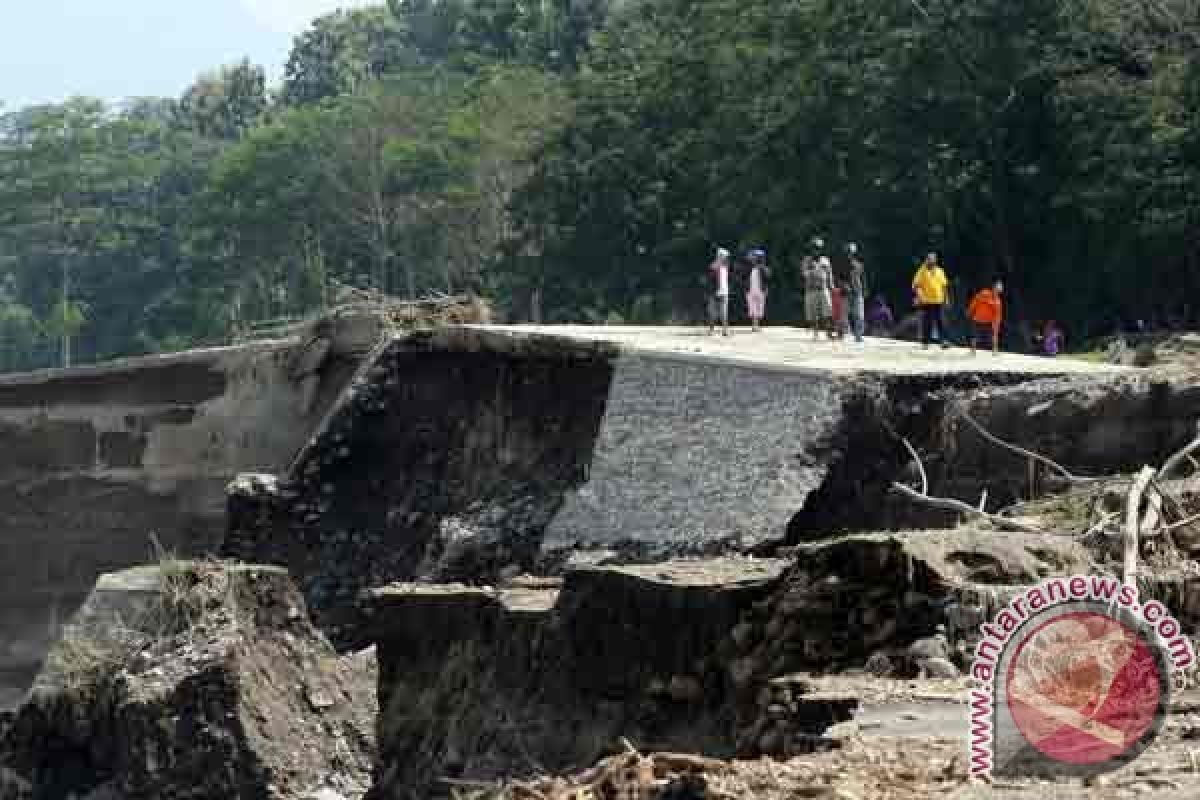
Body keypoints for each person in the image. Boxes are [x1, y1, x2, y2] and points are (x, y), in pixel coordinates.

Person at [911, 252, 950, 349]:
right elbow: (915, 285)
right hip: (926, 301)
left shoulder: (940, 271)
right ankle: (925, 343)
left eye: (933, 259)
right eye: (929, 259)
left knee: (941, 321)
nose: (931, 261)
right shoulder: (921, 271)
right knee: (927, 322)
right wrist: (918, 296)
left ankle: (944, 341)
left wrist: (946, 298)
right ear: (927, 259)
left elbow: (944, 286)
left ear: (936, 260)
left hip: (939, 300)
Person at [802, 238, 834, 340]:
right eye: (815, 248)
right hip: (811, 289)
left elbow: (829, 273)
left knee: (827, 312)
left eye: (818, 248)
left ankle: (828, 333)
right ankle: (816, 334)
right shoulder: (807, 260)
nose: (817, 250)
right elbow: (805, 274)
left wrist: (831, 285)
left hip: (823, 288)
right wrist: (815, 270)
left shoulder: (825, 259)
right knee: (814, 314)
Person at [967, 280, 1004, 355]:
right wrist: (970, 311)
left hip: (988, 321)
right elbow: (975, 301)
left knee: (994, 335)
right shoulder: (984, 293)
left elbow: (998, 314)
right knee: (974, 335)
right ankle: (973, 350)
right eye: (997, 288)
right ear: (993, 288)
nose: (998, 291)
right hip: (977, 319)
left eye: (1000, 290)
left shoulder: (998, 301)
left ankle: (995, 351)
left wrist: (997, 324)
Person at [845, 243, 867, 342]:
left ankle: (858, 335)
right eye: (849, 252)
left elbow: (863, 278)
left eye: (851, 252)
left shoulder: (859, 264)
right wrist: (844, 286)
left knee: (859, 315)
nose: (850, 254)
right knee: (845, 314)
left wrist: (865, 289)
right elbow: (839, 277)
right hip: (846, 293)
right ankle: (845, 333)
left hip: (858, 292)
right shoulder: (842, 264)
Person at [707, 247, 731, 336]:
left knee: (724, 313)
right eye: (725, 256)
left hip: (724, 292)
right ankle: (711, 330)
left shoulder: (725, 266)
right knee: (713, 313)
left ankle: (725, 330)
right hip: (714, 292)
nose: (726, 258)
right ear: (720, 256)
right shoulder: (713, 266)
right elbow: (711, 279)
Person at [745, 248, 770, 332]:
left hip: (760, 290)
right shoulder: (749, 267)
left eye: (756, 257)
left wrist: (766, 290)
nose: (754, 258)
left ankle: (756, 325)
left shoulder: (763, 268)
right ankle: (755, 326)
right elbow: (744, 278)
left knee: (759, 308)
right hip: (751, 290)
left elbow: (767, 278)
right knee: (753, 308)